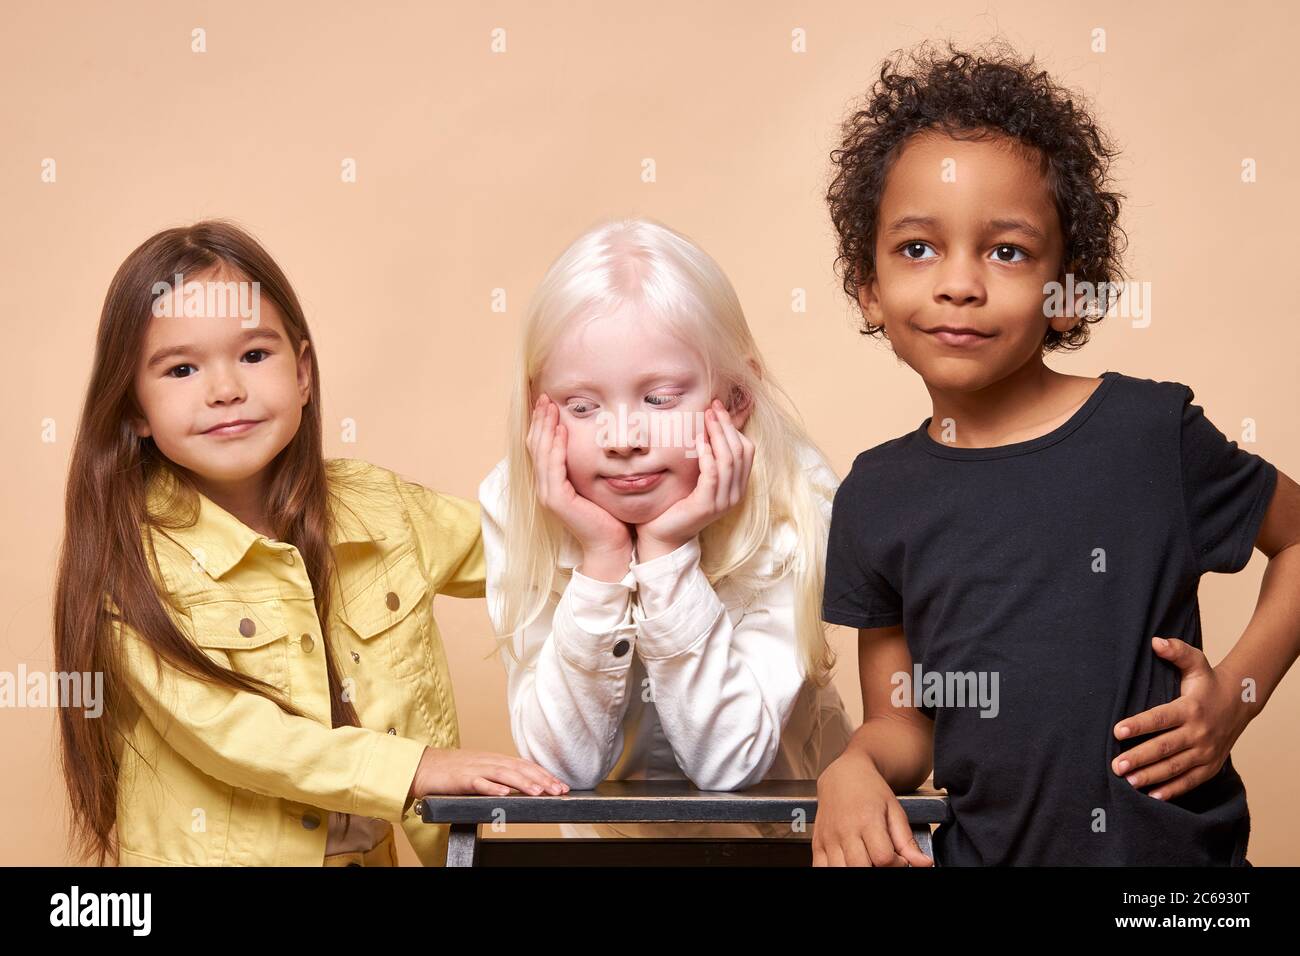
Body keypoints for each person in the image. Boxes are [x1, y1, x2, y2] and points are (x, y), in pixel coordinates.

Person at [813, 40, 1300, 866]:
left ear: (1067, 291)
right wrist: (852, 767)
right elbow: (903, 719)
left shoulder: (1150, 433)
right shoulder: (876, 495)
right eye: (917, 248)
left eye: (1005, 251)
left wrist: (1236, 697)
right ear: (868, 283)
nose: (959, 284)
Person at [53, 220, 566, 867]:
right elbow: (238, 736)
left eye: (253, 355)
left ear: (301, 374)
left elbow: (529, 556)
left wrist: (607, 507)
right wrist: (416, 767)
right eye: (182, 368)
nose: (225, 389)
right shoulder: (138, 563)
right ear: (133, 409)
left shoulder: (380, 510)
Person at [479, 217, 853, 839]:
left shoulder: (797, 497)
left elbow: (730, 763)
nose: (622, 439)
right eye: (582, 406)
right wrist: (602, 558)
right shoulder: (514, 499)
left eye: (659, 399)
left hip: (780, 848)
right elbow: (560, 767)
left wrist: (665, 556)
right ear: (538, 408)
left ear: (736, 397)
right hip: (610, 856)